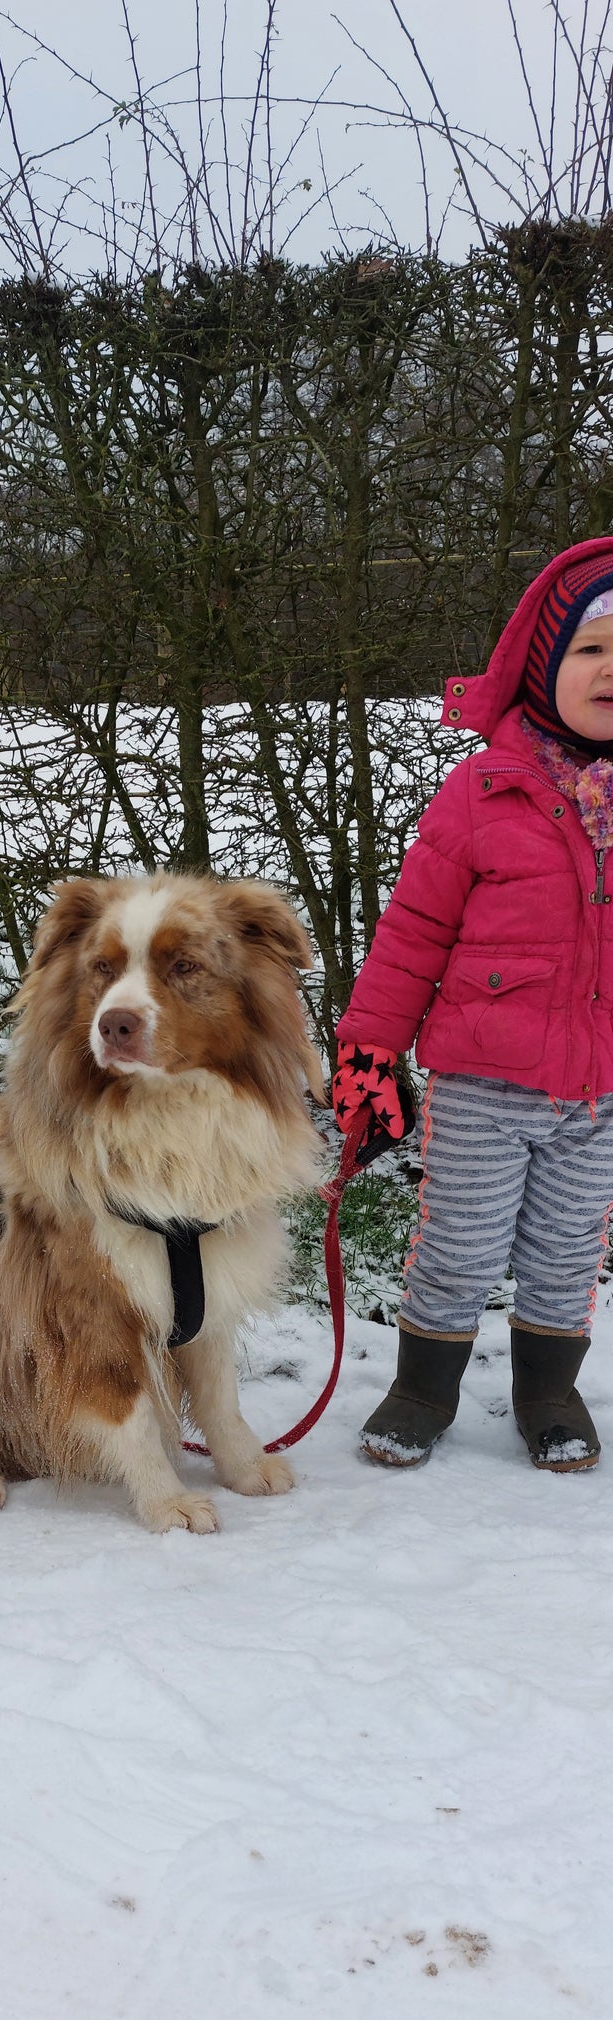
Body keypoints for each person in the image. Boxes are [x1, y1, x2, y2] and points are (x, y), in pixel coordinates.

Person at [332, 536, 613, 1473]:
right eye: (592, 648)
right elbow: (413, 933)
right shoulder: (483, 789)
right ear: (543, 665)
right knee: (458, 1241)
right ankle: (423, 1389)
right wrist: (370, 1047)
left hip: (598, 1095)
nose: (611, 670)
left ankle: (549, 1393)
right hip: (483, 1084)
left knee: (569, 1252)